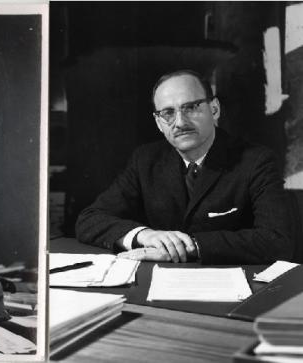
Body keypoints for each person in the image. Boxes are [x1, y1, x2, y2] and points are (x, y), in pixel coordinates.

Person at [75, 70, 293, 265]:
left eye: (191, 107)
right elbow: (90, 219)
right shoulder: (146, 160)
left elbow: (276, 240)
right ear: (159, 123)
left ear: (214, 109)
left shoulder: (256, 161)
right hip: (159, 289)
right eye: (168, 113)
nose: (179, 122)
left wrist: (188, 247)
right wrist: (144, 235)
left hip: (231, 291)